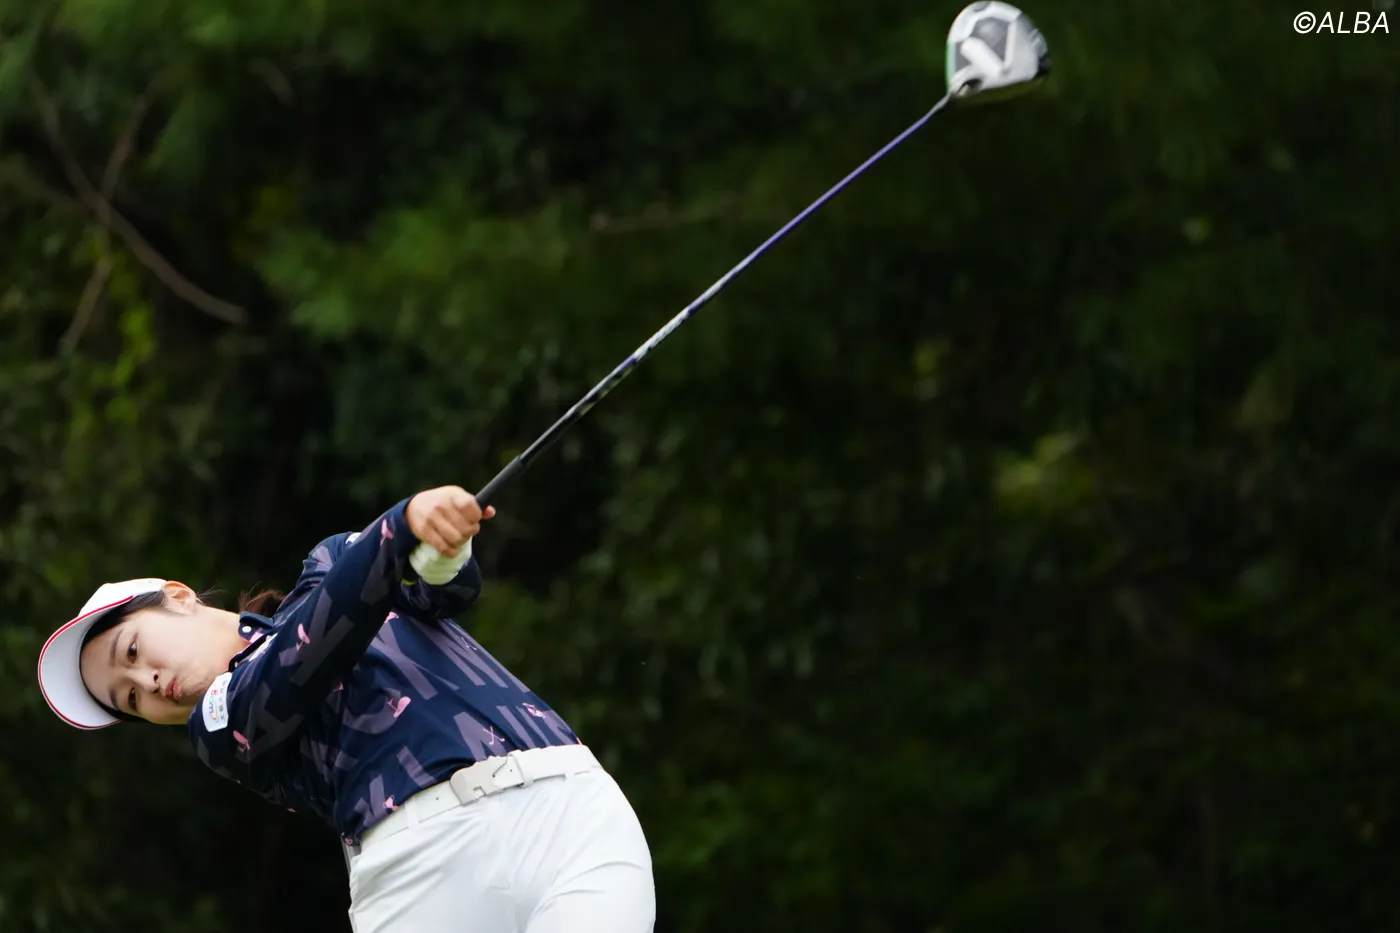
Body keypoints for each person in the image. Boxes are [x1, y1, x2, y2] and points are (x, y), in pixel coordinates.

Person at [36, 485, 655, 933]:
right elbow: (306, 652)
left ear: (177, 596)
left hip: (569, 809)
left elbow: (446, 593)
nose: (147, 681)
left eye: (132, 651)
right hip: (424, 877)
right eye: (130, 699)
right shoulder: (219, 727)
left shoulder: (331, 561)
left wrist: (440, 544)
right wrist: (402, 523)